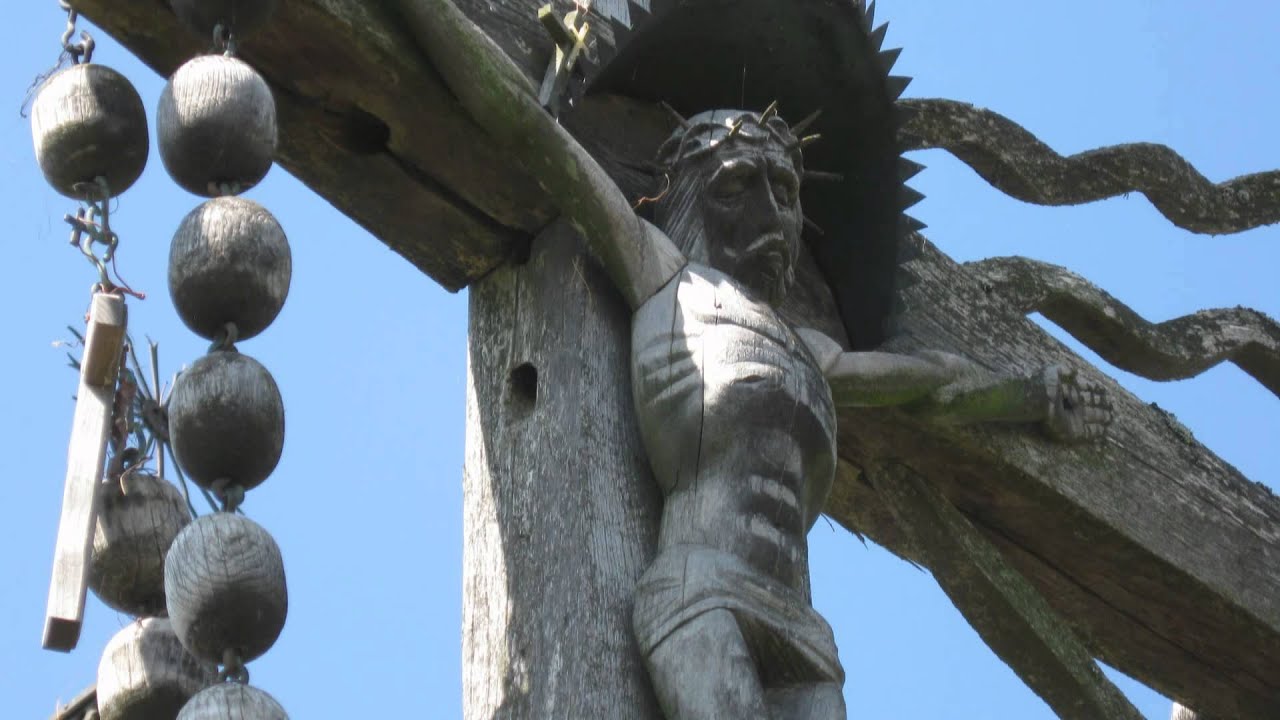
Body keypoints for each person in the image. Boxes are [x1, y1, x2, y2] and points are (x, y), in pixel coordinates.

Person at [404, 6, 1110, 717]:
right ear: (688, 195)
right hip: (700, 592)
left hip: (802, 630)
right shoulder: (663, 275)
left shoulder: (814, 354)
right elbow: (528, 131)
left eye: (787, 190)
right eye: (741, 184)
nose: (773, 213)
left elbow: (935, 386)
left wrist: (1030, 396)